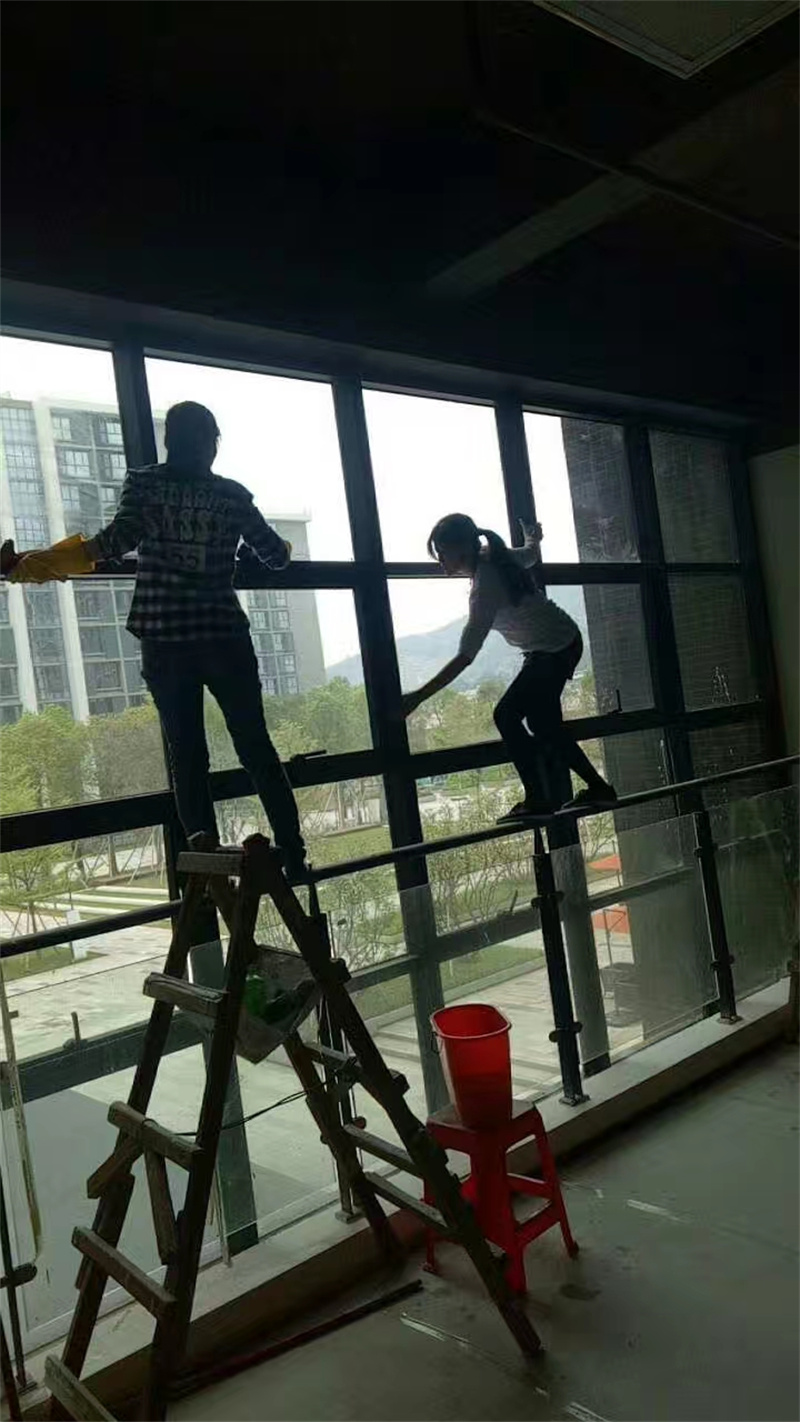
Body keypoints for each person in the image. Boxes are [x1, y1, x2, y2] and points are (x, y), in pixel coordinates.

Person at [1, 401, 307, 875]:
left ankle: (206, 864)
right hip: (224, 636)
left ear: (170, 442)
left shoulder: (146, 485)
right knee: (256, 748)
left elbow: (110, 544)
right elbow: (276, 556)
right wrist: (261, 549)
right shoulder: (232, 496)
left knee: (187, 755)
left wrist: (28, 566)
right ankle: (294, 853)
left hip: (166, 641)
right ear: (213, 443)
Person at [401, 513, 617, 816]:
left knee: (506, 715)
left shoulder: (484, 588)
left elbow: (465, 657)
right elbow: (530, 555)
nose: (440, 561)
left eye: (442, 552)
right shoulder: (495, 556)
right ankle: (594, 790)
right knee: (543, 724)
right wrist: (533, 537)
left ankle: (540, 799)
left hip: (553, 648)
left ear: (461, 549)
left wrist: (418, 697)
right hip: (561, 643)